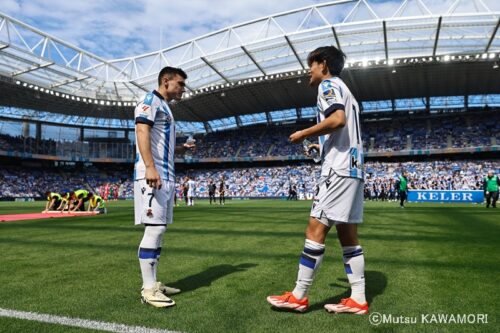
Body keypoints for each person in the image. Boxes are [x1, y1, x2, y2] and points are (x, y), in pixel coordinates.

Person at [267, 46, 368, 314]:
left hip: (338, 170)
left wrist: (303, 133)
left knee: (315, 229)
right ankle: (358, 298)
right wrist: (319, 146)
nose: (308, 72)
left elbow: (337, 119)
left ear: (323, 64)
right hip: (354, 169)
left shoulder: (328, 86)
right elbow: (343, 128)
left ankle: (299, 295)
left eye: (310, 65)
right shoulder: (347, 91)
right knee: (348, 235)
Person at [134, 66, 195, 308]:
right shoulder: (150, 101)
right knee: (154, 230)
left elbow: (160, 142)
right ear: (165, 81)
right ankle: (148, 289)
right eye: (180, 84)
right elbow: (142, 129)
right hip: (153, 175)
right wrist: (150, 166)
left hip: (165, 176)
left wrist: (181, 149)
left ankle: (154, 282)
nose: (183, 89)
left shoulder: (165, 107)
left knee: (160, 230)